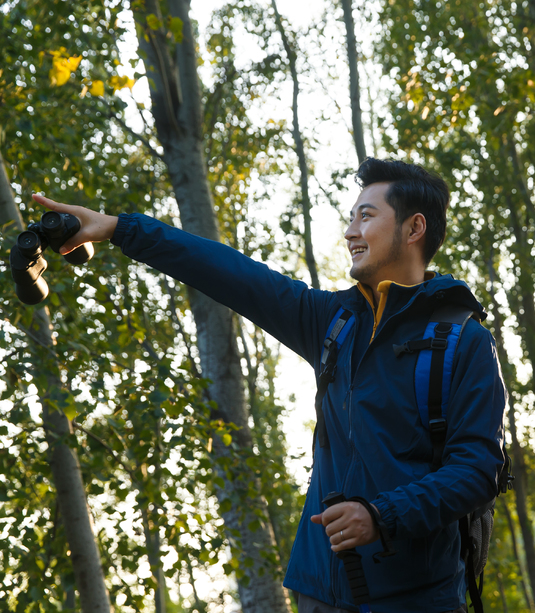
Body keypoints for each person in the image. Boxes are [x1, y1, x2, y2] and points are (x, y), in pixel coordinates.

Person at [34, 158, 507, 613]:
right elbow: (229, 272)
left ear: (414, 228)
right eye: (350, 218)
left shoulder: (463, 342)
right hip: (319, 590)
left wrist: (381, 514)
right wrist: (120, 229)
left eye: (366, 216)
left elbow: (478, 470)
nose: (350, 232)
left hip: (417, 599)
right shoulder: (331, 322)